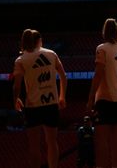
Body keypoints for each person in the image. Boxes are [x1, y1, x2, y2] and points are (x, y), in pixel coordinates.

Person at [12, 29, 67, 168]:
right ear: (39, 40)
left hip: (33, 106)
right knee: (52, 142)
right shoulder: (51, 54)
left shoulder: (21, 60)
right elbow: (63, 76)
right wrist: (62, 97)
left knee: (34, 145)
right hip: (51, 103)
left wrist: (15, 99)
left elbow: (16, 85)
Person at [86, 18, 117, 168]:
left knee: (102, 140)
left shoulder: (102, 48)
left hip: (106, 98)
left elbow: (98, 73)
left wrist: (91, 98)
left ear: (104, 32)